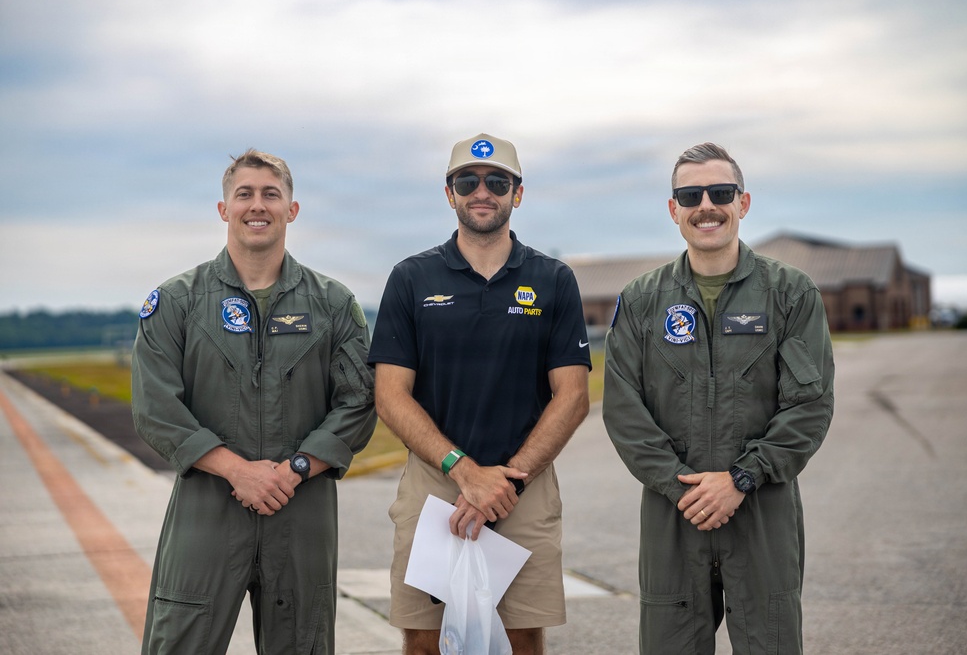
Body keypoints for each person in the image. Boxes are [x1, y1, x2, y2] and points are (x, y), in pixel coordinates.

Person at [131, 149, 377, 654]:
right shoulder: (177, 302)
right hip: (206, 511)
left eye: (271, 194)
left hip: (301, 511)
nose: (257, 205)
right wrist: (238, 471)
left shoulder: (333, 305)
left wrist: (296, 469)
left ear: (292, 209)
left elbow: (359, 402)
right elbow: (155, 407)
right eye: (244, 194)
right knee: (181, 641)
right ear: (224, 209)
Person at [602, 142, 834, 654]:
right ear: (674, 210)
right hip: (674, 514)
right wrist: (682, 488)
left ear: (742, 203)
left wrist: (741, 478)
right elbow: (623, 410)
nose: (706, 205)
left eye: (721, 192)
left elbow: (810, 406)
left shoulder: (791, 294)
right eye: (691, 195)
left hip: (761, 510)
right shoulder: (641, 302)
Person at [369, 133, 592, 655]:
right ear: (449, 193)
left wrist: (507, 480)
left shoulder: (553, 279)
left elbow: (573, 395)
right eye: (467, 181)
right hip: (436, 479)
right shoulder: (411, 277)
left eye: (498, 181)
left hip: (523, 482)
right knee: (424, 641)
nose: (482, 191)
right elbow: (390, 395)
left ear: (518, 192)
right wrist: (465, 472)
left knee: (522, 640)